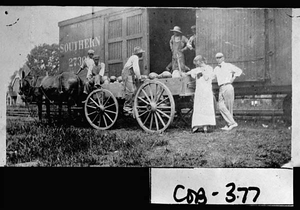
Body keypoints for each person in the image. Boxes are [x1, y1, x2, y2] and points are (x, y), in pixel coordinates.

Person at [213, 52, 243, 131]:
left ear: (223, 58)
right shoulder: (216, 68)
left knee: (229, 107)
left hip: (228, 86)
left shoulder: (228, 65)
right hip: (221, 87)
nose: (218, 59)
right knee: (221, 106)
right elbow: (212, 76)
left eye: (220, 57)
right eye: (217, 58)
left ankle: (229, 124)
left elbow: (239, 71)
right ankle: (232, 123)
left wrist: (233, 77)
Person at [186, 55, 216, 133]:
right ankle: (196, 125)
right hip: (199, 91)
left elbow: (207, 77)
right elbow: (190, 72)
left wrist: (202, 72)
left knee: (206, 108)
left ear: (201, 61)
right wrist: (185, 73)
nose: (196, 64)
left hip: (206, 92)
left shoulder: (209, 68)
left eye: (197, 62)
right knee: (198, 107)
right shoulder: (197, 69)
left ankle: (205, 126)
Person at [121, 46, 145, 115]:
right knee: (130, 91)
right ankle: (127, 108)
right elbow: (136, 69)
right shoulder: (135, 57)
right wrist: (139, 77)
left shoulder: (133, 57)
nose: (142, 54)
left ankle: (133, 106)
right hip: (127, 73)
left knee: (134, 89)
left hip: (129, 74)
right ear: (138, 53)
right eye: (141, 53)